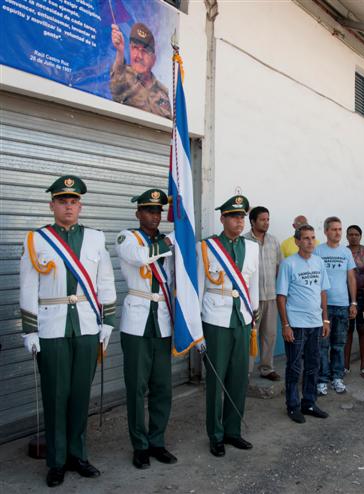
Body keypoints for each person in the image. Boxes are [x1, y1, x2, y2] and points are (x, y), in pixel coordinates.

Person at [20, 175, 116, 487]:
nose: (68, 206)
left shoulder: (95, 238)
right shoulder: (37, 240)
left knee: (79, 395)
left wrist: (107, 322)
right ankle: (57, 461)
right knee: (55, 395)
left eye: (73, 201)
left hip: (87, 326)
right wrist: (29, 330)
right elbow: (28, 286)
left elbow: (105, 282)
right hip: (52, 327)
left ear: (81, 205)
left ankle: (78, 455)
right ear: (52, 205)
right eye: (63, 201)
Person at [115, 189, 183, 469]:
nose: (154, 216)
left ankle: (157, 441)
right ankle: (139, 445)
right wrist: (172, 240)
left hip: (163, 319)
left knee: (162, 387)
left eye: (158, 211)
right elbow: (142, 257)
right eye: (148, 210)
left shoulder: (168, 242)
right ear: (138, 213)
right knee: (136, 387)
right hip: (137, 320)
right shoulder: (127, 238)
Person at [197, 195, 259, 457]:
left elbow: (253, 283)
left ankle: (233, 431)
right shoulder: (207, 247)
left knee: (238, 377)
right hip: (215, 318)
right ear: (222, 218)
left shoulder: (252, 247)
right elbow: (199, 285)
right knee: (216, 379)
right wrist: (197, 328)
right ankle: (216, 434)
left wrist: (253, 317)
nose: (239, 220)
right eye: (234, 216)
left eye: (242, 216)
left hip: (242, 318)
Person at [276, 225, 331, 423]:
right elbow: (281, 296)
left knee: (313, 364)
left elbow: (323, 291)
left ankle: (309, 402)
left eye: (312, 238)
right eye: (306, 238)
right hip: (296, 324)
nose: (310, 241)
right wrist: (285, 324)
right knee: (294, 366)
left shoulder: (319, 262)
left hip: (316, 323)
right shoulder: (288, 264)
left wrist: (325, 319)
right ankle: (292, 405)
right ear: (297, 241)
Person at [315, 217, 357, 395]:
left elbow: (351, 277)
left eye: (340, 229)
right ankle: (322, 379)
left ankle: (337, 378)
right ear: (326, 231)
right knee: (322, 345)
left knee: (339, 344)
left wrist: (353, 302)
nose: (338, 232)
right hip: (322, 306)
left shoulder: (346, 252)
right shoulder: (318, 251)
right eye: (334, 229)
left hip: (341, 304)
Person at [244, 206, 282, 381]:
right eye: (262, 220)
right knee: (250, 335)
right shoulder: (244, 241)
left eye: (268, 219)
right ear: (252, 221)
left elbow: (278, 267)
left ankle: (267, 368)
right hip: (251, 299)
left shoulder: (274, 241)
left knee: (270, 334)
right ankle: (246, 371)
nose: (266, 223)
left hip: (271, 296)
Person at [110, 23, 171, 118]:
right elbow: (115, 85)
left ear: (153, 59)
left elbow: (168, 123)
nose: (139, 56)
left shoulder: (163, 93)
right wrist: (120, 51)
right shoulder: (124, 76)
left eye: (145, 51)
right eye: (135, 48)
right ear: (129, 49)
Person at [344, 225, 364, 378]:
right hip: (346, 295)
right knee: (347, 330)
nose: (354, 237)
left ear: (361, 236)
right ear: (347, 236)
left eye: (356, 234)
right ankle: (345, 366)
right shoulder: (343, 251)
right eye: (351, 234)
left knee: (363, 329)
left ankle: (363, 366)